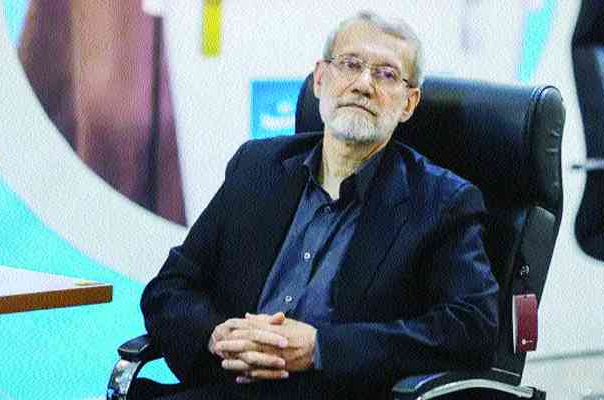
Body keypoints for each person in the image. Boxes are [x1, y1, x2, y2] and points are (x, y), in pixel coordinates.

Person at [140, 10, 499, 400]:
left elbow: (471, 329)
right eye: (350, 64)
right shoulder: (257, 167)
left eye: (386, 74)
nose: (363, 85)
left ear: (409, 103)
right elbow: (169, 288)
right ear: (320, 78)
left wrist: (320, 348)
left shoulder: (441, 202)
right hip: (224, 386)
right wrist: (215, 335)